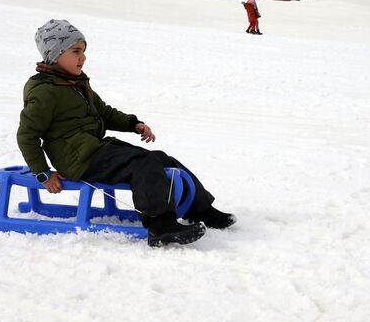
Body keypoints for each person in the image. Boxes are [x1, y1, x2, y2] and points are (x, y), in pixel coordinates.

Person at [17, 19, 236, 247]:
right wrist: (43, 174)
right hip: (78, 159)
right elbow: (27, 135)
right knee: (143, 163)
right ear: (55, 54)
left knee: (161, 158)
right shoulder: (45, 92)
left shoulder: (76, 84)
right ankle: (160, 224)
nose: (83, 57)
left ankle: (202, 209)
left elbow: (104, 113)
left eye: (83, 51)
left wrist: (134, 124)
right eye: (76, 51)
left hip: (94, 149)